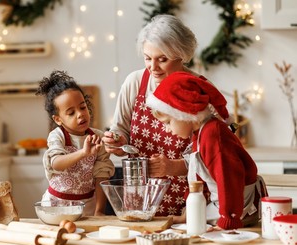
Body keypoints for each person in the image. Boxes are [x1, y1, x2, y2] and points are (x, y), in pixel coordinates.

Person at [102, 14, 206, 218]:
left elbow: (209, 154)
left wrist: (174, 166)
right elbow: (120, 129)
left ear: (182, 55)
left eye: (162, 60)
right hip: (138, 195)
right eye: (148, 58)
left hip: (185, 202)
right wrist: (117, 140)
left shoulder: (199, 88)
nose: (153, 67)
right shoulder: (134, 82)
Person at [146, 71, 268, 230]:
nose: (167, 129)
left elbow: (228, 178)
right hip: (224, 204)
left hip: (241, 206)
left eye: (168, 122)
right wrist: (187, 215)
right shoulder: (199, 133)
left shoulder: (213, 134)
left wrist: (228, 219)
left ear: (185, 112)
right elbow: (198, 178)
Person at [36, 70, 115, 216]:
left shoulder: (98, 137)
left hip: (87, 207)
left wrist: (99, 210)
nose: (80, 114)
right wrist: (83, 153)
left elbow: (101, 176)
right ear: (58, 119)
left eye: (83, 107)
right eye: (71, 113)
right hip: (56, 206)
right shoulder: (57, 136)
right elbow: (55, 163)